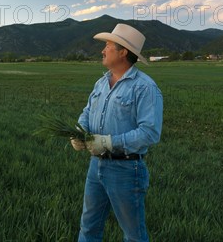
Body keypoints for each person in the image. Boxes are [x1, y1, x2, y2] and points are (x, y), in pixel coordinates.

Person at [70, 23, 163, 242]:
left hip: (127, 169)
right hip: (97, 166)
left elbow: (150, 133)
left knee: (133, 235)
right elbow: (86, 112)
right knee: (88, 228)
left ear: (123, 52)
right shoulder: (101, 83)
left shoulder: (145, 87)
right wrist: (79, 130)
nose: (103, 50)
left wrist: (109, 142)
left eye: (108, 46)